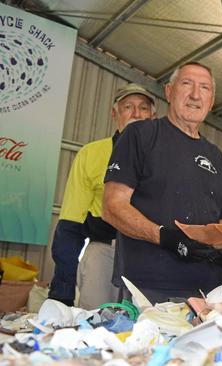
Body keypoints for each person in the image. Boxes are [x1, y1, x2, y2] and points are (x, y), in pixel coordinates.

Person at [102, 62, 222, 303]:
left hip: (209, 291)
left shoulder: (215, 154)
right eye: (187, 84)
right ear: (169, 91)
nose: (195, 94)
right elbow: (112, 207)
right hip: (149, 287)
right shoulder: (139, 135)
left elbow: (219, 215)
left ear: (212, 100)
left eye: (204, 88)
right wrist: (165, 237)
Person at [49, 83, 156, 308]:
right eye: (128, 106)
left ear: (153, 116)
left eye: (143, 108)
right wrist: (62, 288)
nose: (136, 113)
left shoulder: (164, 158)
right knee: (94, 322)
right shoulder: (91, 153)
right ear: (114, 113)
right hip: (105, 251)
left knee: (148, 327)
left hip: (149, 254)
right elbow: (71, 223)